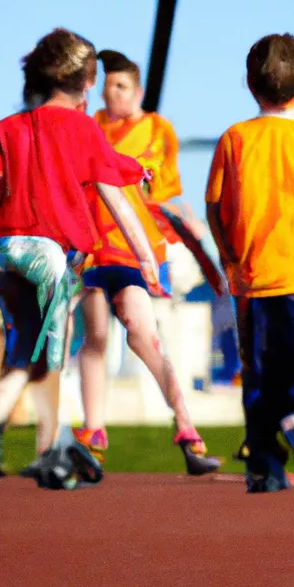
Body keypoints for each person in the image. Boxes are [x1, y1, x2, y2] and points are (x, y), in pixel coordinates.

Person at [0, 29, 164, 483]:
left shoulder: (9, 128)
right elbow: (116, 198)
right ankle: (58, 443)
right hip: (54, 256)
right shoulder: (84, 129)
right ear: (87, 85)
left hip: (6, 255)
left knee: (29, 346)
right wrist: (146, 257)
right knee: (54, 347)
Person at [206, 33, 294, 494]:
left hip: (252, 282)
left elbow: (216, 208)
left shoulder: (235, 138)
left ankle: (264, 468)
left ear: (250, 85)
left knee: (259, 378)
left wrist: (229, 260)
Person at [74, 49, 220, 475]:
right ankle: (94, 434)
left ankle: (187, 428)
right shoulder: (90, 125)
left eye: (120, 86)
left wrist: (184, 218)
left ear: (137, 90)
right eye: (107, 85)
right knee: (96, 337)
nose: (111, 93)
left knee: (142, 334)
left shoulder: (158, 130)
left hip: (134, 251)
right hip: (92, 248)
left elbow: (165, 189)